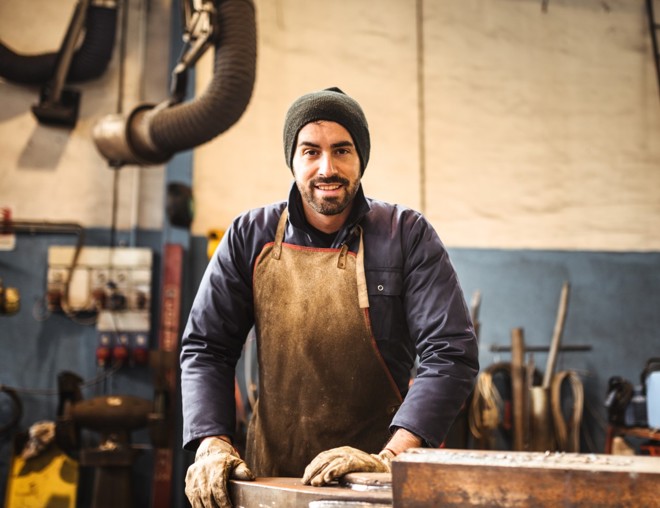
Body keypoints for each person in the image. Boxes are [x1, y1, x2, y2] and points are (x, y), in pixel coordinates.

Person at [180, 87, 479, 507]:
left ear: (361, 159)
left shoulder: (406, 235)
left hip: (376, 486)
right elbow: (206, 347)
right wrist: (211, 443)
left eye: (342, 151)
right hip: (271, 483)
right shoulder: (250, 236)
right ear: (293, 159)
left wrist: (394, 458)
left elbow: (450, 353)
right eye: (310, 151)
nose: (327, 167)